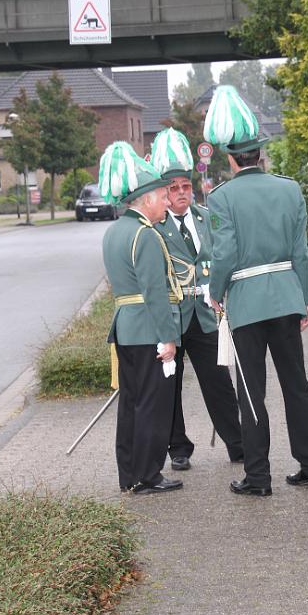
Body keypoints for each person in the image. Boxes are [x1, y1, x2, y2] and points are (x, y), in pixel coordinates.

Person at [204, 86, 308, 497]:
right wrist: (306, 299)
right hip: (287, 298)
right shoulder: (289, 189)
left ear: (230, 158)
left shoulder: (221, 198)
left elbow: (225, 253)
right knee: (297, 386)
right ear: (259, 154)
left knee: (251, 392)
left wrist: (215, 291)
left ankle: (258, 477)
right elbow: (300, 251)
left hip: (246, 303)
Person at [151, 128, 243, 469]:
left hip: (204, 313)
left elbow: (222, 254)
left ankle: (238, 443)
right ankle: (178, 448)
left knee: (218, 381)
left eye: (185, 187)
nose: (181, 193)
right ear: (164, 192)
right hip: (172, 315)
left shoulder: (205, 218)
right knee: (169, 385)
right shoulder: (156, 226)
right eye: (173, 188)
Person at [100, 141, 184, 495]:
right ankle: (149, 474)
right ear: (146, 199)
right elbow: (154, 293)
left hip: (126, 329)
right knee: (152, 405)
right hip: (149, 330)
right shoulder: (145, 235)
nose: (167, 202)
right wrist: (169, 337)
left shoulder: (114, 231)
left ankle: (129, 474)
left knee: (131, 405)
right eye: (163, 197)